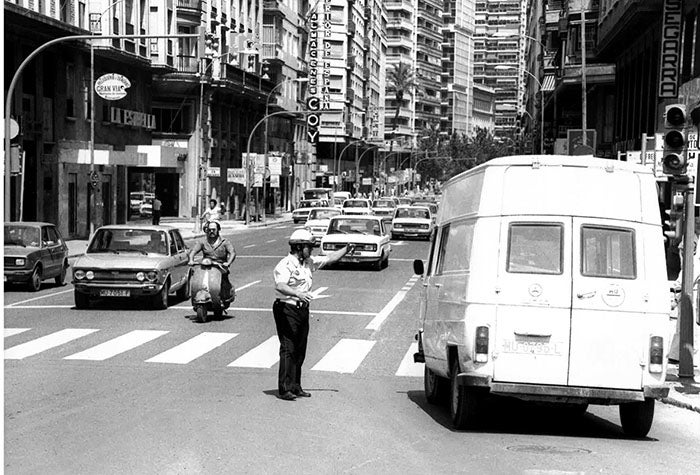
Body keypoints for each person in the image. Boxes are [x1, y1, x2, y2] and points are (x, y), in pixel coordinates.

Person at [272, 229, 354, 400]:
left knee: (300, 348)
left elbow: (329, 258)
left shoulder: (307, 262)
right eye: (309, 246)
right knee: (289, 348)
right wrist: (297, 293)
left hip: (302, 308)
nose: (312, 250)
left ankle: (296, 386)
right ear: (299, 247)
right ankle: (284, 389)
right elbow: (280, 286)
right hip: (287, 307)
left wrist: (347, 248)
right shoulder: (285, 264)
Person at [187, 220, 236, 302]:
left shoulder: (225, 242)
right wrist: (191, 260)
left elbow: (232, 253)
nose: (211, 232)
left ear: (218, 230)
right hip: (206, 266)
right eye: (209, 230)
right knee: (198, 279)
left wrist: (228, 263)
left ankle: (225, 296)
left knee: (223, 282)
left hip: (220, 266)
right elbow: (193, 251)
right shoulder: (203, 241)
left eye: (213, 229)